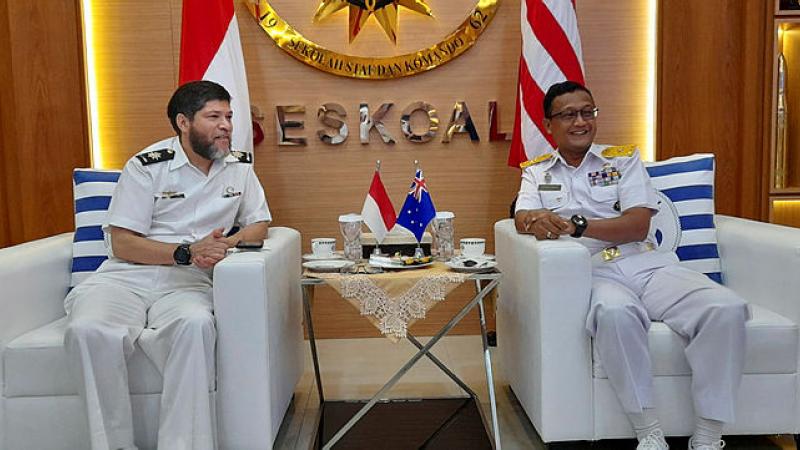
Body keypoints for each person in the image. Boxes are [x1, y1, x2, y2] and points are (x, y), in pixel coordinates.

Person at [513, 81, 748, 450]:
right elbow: (521, 215)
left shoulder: (623, 160)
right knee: (614, 314)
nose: (580, 122)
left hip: (644, 263)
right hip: (593, 272)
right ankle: (648, 431)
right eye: (568, 115)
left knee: (725, 308)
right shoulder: (537, 171)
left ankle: (708, 434)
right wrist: (533, 220)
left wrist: (577, 226)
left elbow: (637, 225)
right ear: (549, 125)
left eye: (587, 112)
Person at [63, 80, 271, 450]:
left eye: (228, 116)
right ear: (183, 123)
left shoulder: (238, 165)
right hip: (126, 277)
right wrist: (186, 251)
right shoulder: (146, 166)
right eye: (214, 117)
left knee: (195, 325)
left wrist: (225, 244)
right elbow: (123, 242)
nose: (226, 125)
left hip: (188, 283)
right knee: (88, 330)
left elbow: (259, 223)